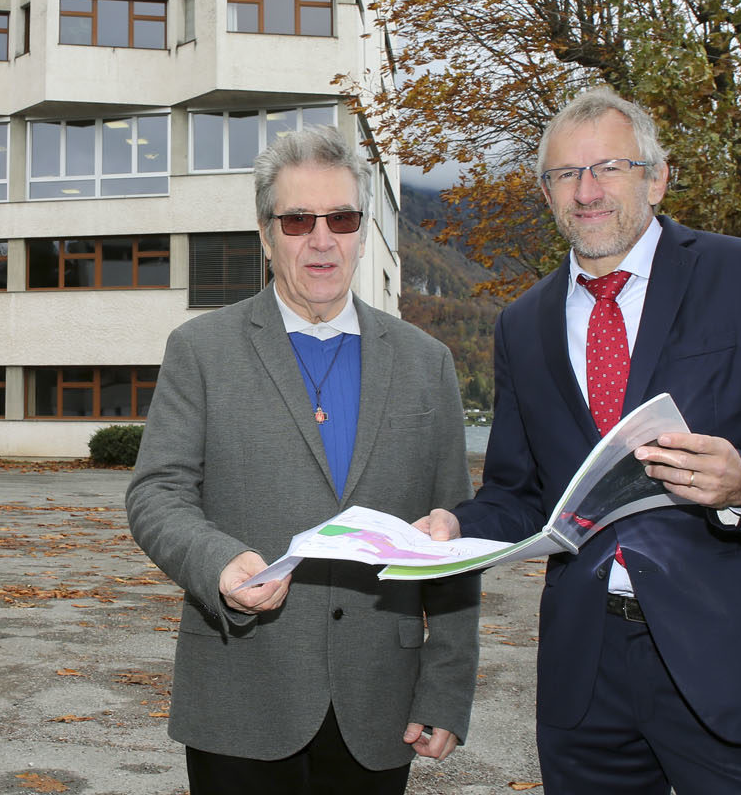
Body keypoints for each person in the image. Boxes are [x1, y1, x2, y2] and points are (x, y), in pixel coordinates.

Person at [417, 86, 741, 793]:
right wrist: (456, 525)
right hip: (585, 669)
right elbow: (520, 493)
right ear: (546, 192)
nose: (587, 191)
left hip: (726, 656)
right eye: (565, 174)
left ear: (656, 178)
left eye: (609, 167)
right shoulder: (523, 324)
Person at [126, 125, 479, 795]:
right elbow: (157, 494)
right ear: (265, 235)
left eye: (341, 218)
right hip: (240, 695)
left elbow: (453, 535)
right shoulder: (202, 350)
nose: (322, 239)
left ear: (361, 229)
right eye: (297, 221)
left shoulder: (426, 364)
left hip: (380, 706)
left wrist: (447, 687)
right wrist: (217, 561)